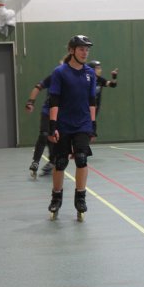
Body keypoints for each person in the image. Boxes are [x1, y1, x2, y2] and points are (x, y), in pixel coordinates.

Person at [47, 35, 97, 221]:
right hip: (63, 123)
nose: (85, 53)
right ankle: (56, 197)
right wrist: (53, 125)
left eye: (87, 50)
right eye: (81, 49)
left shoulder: (90, 73)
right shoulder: (60, 72)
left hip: (83, 123)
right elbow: (54, 101)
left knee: (82, 159)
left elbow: (92, 100)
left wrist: (93, 124)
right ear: (71, 50)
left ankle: (80, 197)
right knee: (60, 162)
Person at [25, 74, 55, 178]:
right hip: (47, 111)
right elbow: (38, 87)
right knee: (44, 134)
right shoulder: (55, 76)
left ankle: (52, 161)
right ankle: (35, 162)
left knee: (54, 137)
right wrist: (30, 102)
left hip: (62, 115)